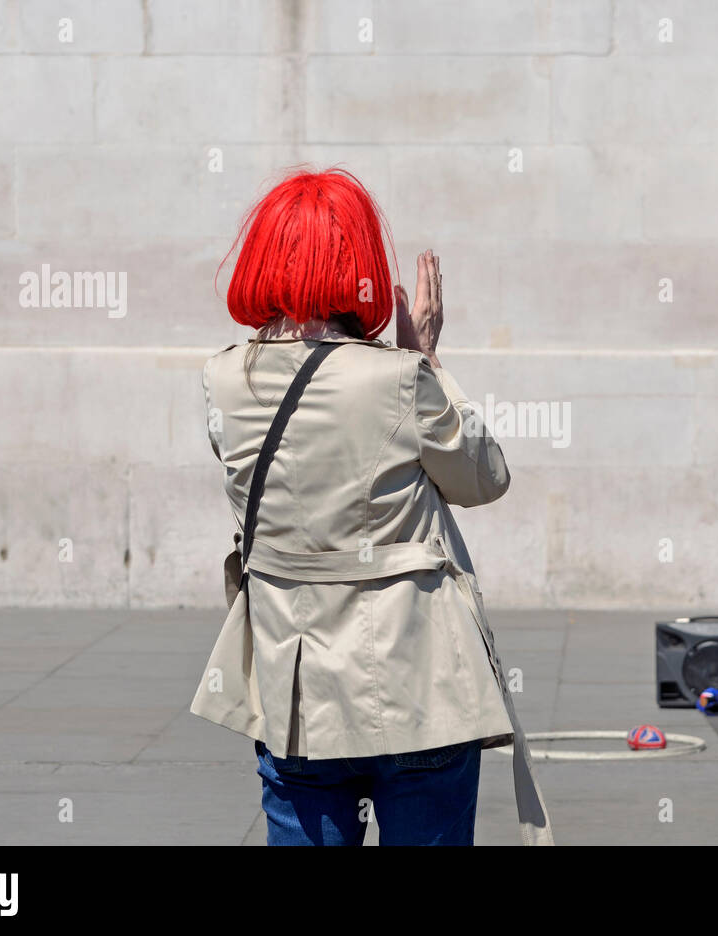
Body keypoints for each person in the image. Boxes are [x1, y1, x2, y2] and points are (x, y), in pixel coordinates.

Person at [190, 166, 553, 846]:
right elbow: (485, 478)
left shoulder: (222, 379)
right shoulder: (399, 379)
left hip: (294, 688)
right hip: (417, 683)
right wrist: (429, 359)